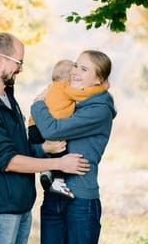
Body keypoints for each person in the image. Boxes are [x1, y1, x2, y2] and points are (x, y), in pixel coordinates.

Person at [0, 32, 91, 244]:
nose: (21, 68)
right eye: (18, 62)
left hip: (21, 208)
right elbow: (7, 160)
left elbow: (19, 149)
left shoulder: (7, 97)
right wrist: (59, 163)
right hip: (1, 211)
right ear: (0, 60)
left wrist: (44, 148)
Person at [30, 50, 117, 244]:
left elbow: (51, 130)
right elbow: (44, 140)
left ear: (98, 80)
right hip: (53, 195)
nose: (75, 72)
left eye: (84, 69)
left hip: (80, 200)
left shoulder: (99, 110)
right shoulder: (72, 103)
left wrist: (37, 104)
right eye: (76, 65)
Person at [27, 59, 106, 199]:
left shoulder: (50, 88)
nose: (76, 73)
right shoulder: (65, 88)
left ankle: (45, 172)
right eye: (74, 69)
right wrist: (102, 88)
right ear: (69, 77)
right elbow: (84, 94)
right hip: (46, 126)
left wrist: (36, 105)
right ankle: (58, 180)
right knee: (60, 147)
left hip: (33, 126)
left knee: (49, 149)